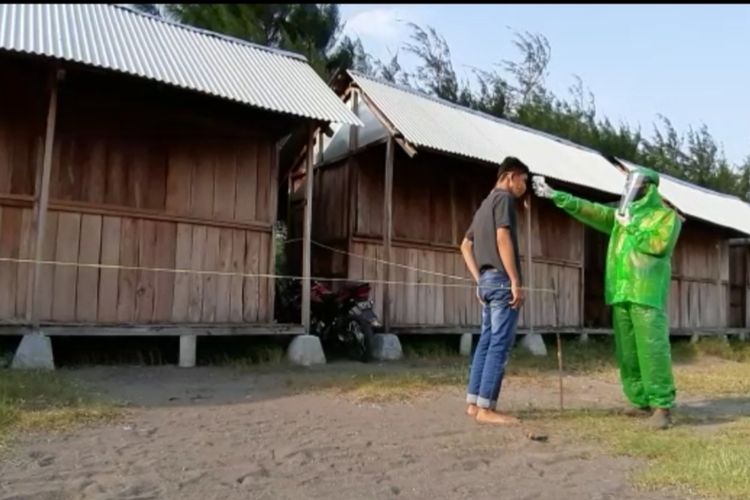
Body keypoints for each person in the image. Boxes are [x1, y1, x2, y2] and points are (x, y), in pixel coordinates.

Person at [533, 167, 681, 430]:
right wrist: (557, 195)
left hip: (646, 292)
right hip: (621, 290)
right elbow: (591, 210)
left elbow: (658, 247)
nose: (630, 189)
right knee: (628, 352)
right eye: (628, 183)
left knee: (652, 349)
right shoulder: (622, 216)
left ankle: (661, 406)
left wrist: (631, 225)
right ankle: (640, 400)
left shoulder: (666, 217)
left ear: (650, 187)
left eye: (637, 184)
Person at [461, 156, 529, 426]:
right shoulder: (503, 200)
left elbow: (465, 245)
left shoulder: (482, 207)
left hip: (487, 281)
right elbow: (503, 237)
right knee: (499, 343)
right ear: (511, 176)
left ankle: (474, 403)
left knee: (486, 341)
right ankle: (486, 408)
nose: (525, 186)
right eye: (524, 180)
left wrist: (480, 279)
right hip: (501, 280)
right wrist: (514, 280)